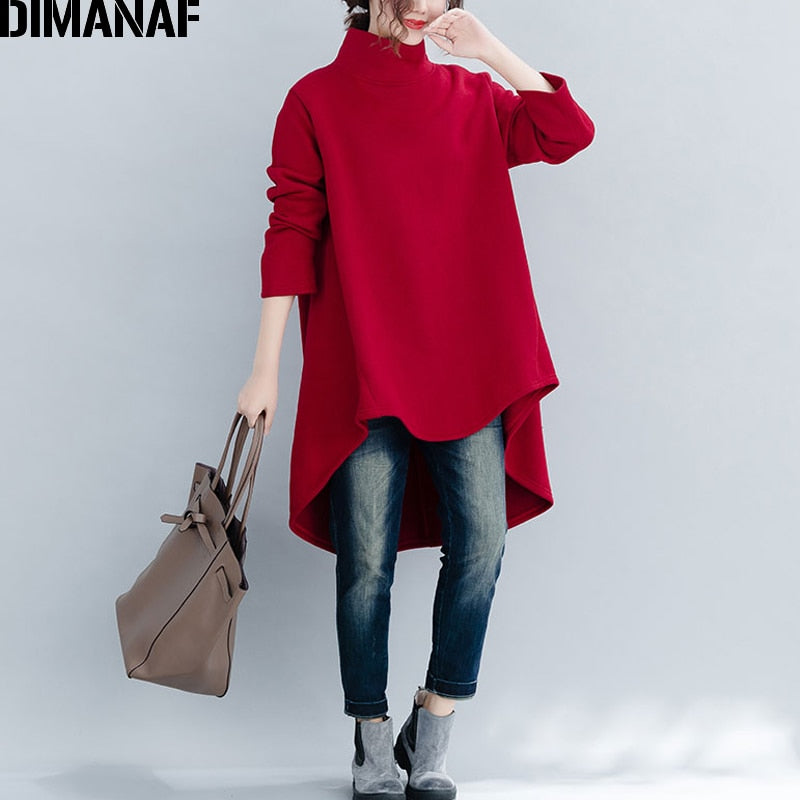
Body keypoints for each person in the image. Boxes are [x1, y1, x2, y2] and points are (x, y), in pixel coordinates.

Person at [238, 1, 595, 798]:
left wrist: (489, 50)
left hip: (466, 365)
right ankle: (371, 742)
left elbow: (567, 132)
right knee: (365, 565)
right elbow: (290, 230)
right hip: (364, 366)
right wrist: (266, 368)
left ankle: (431, 724)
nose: (427, 6)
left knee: (482, 545)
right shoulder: (314, 100)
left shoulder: (472, 98)